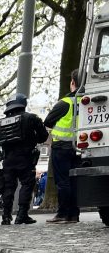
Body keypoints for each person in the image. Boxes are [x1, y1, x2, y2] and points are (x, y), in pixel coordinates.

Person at [0, 93, 48, 225]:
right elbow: (43, 136)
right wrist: (31, 139)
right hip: (25, 157)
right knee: (27, 184)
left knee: (8, 187)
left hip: (8, 160)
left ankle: (6, 216)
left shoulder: (0, 123)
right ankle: (22, 215)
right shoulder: (31, 118)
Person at [44, 69, 80, 224]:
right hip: (79, 147)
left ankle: (62, 214)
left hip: (62, 146)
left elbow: (47, 121)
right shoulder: (86, 100)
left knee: (63, 181)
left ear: (73, 82)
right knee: (74, 181)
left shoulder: (64, 103)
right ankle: (73, 215)